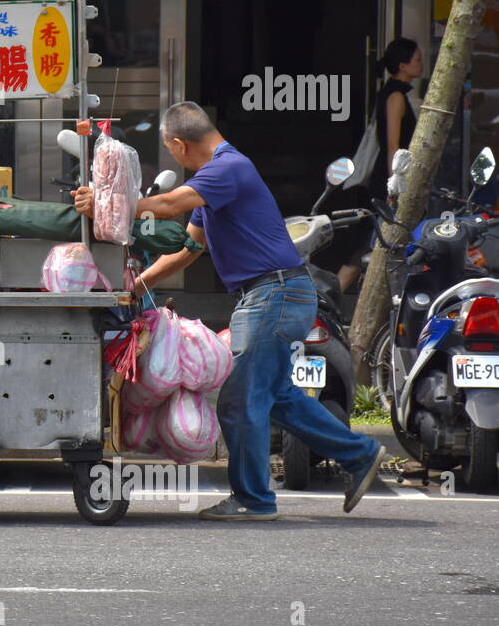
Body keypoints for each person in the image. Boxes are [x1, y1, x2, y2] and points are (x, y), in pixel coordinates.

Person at [73, 102, 385, 521]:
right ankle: (360, 455)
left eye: (171, 149)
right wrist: (137, 285)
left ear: (180, 145)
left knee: (239, 401)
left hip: (272, 296)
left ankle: (254, 500)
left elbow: (166, 206)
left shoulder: (228, 168)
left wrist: (110, 202)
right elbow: (190, 249)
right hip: (276, 295)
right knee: (274, 396)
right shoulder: (215, 181)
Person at [337, 38, 423, 290]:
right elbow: (392, 146)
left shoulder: (394, 93)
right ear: (402, 65)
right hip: (385, 183)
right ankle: (329, 297)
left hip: (386, 181)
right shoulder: (395, 96)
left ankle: (333, 295)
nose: (422, 64)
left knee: (371, 242)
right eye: (417, 59)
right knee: (368, 242)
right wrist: (393, 187)